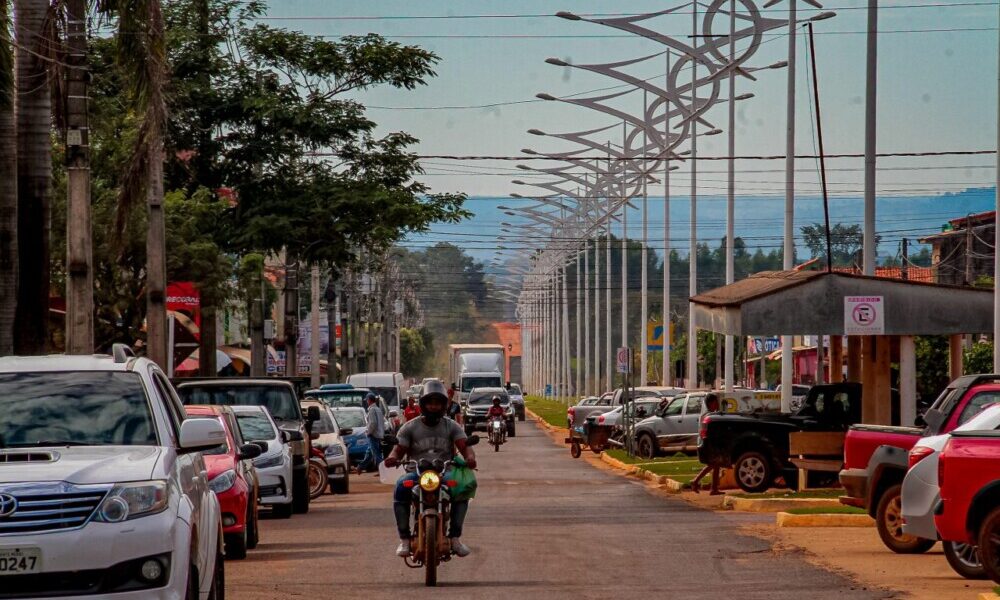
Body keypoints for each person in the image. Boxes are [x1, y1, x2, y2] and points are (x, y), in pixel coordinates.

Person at [385, 380, 477, 558]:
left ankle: (455, 538)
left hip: (444, 473)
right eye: (430, 402)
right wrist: (392, 458)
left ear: (444, 405)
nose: (434, 407)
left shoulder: (451, 426)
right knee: (400, 487)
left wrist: (470, 458)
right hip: (416, 473)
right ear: (423, 403)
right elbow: (398, 449)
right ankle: (404, 539)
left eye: (438, 403)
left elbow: (465, 446)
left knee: (461, 489)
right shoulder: (410, 427)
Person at [690, 393, 722, 495]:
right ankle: (695, 481)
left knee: (715, 465)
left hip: (707, 443)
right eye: (716, 402)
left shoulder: (708, 414)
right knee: (713, 464)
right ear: (711, 403)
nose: (717, 404)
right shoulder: (708, 416)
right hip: (708, 443)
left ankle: (713, 488)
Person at [365, 393, 385, 470]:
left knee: (376, 454)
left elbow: (373, 423)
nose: (366, 402)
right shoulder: (378, 409)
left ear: (369, 400)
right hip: (379, 434)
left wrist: (368, 432)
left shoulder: (372, 410)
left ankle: (383, 470)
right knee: (370, 452)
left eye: (367, 400)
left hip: (373, 434)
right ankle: (360, 466)